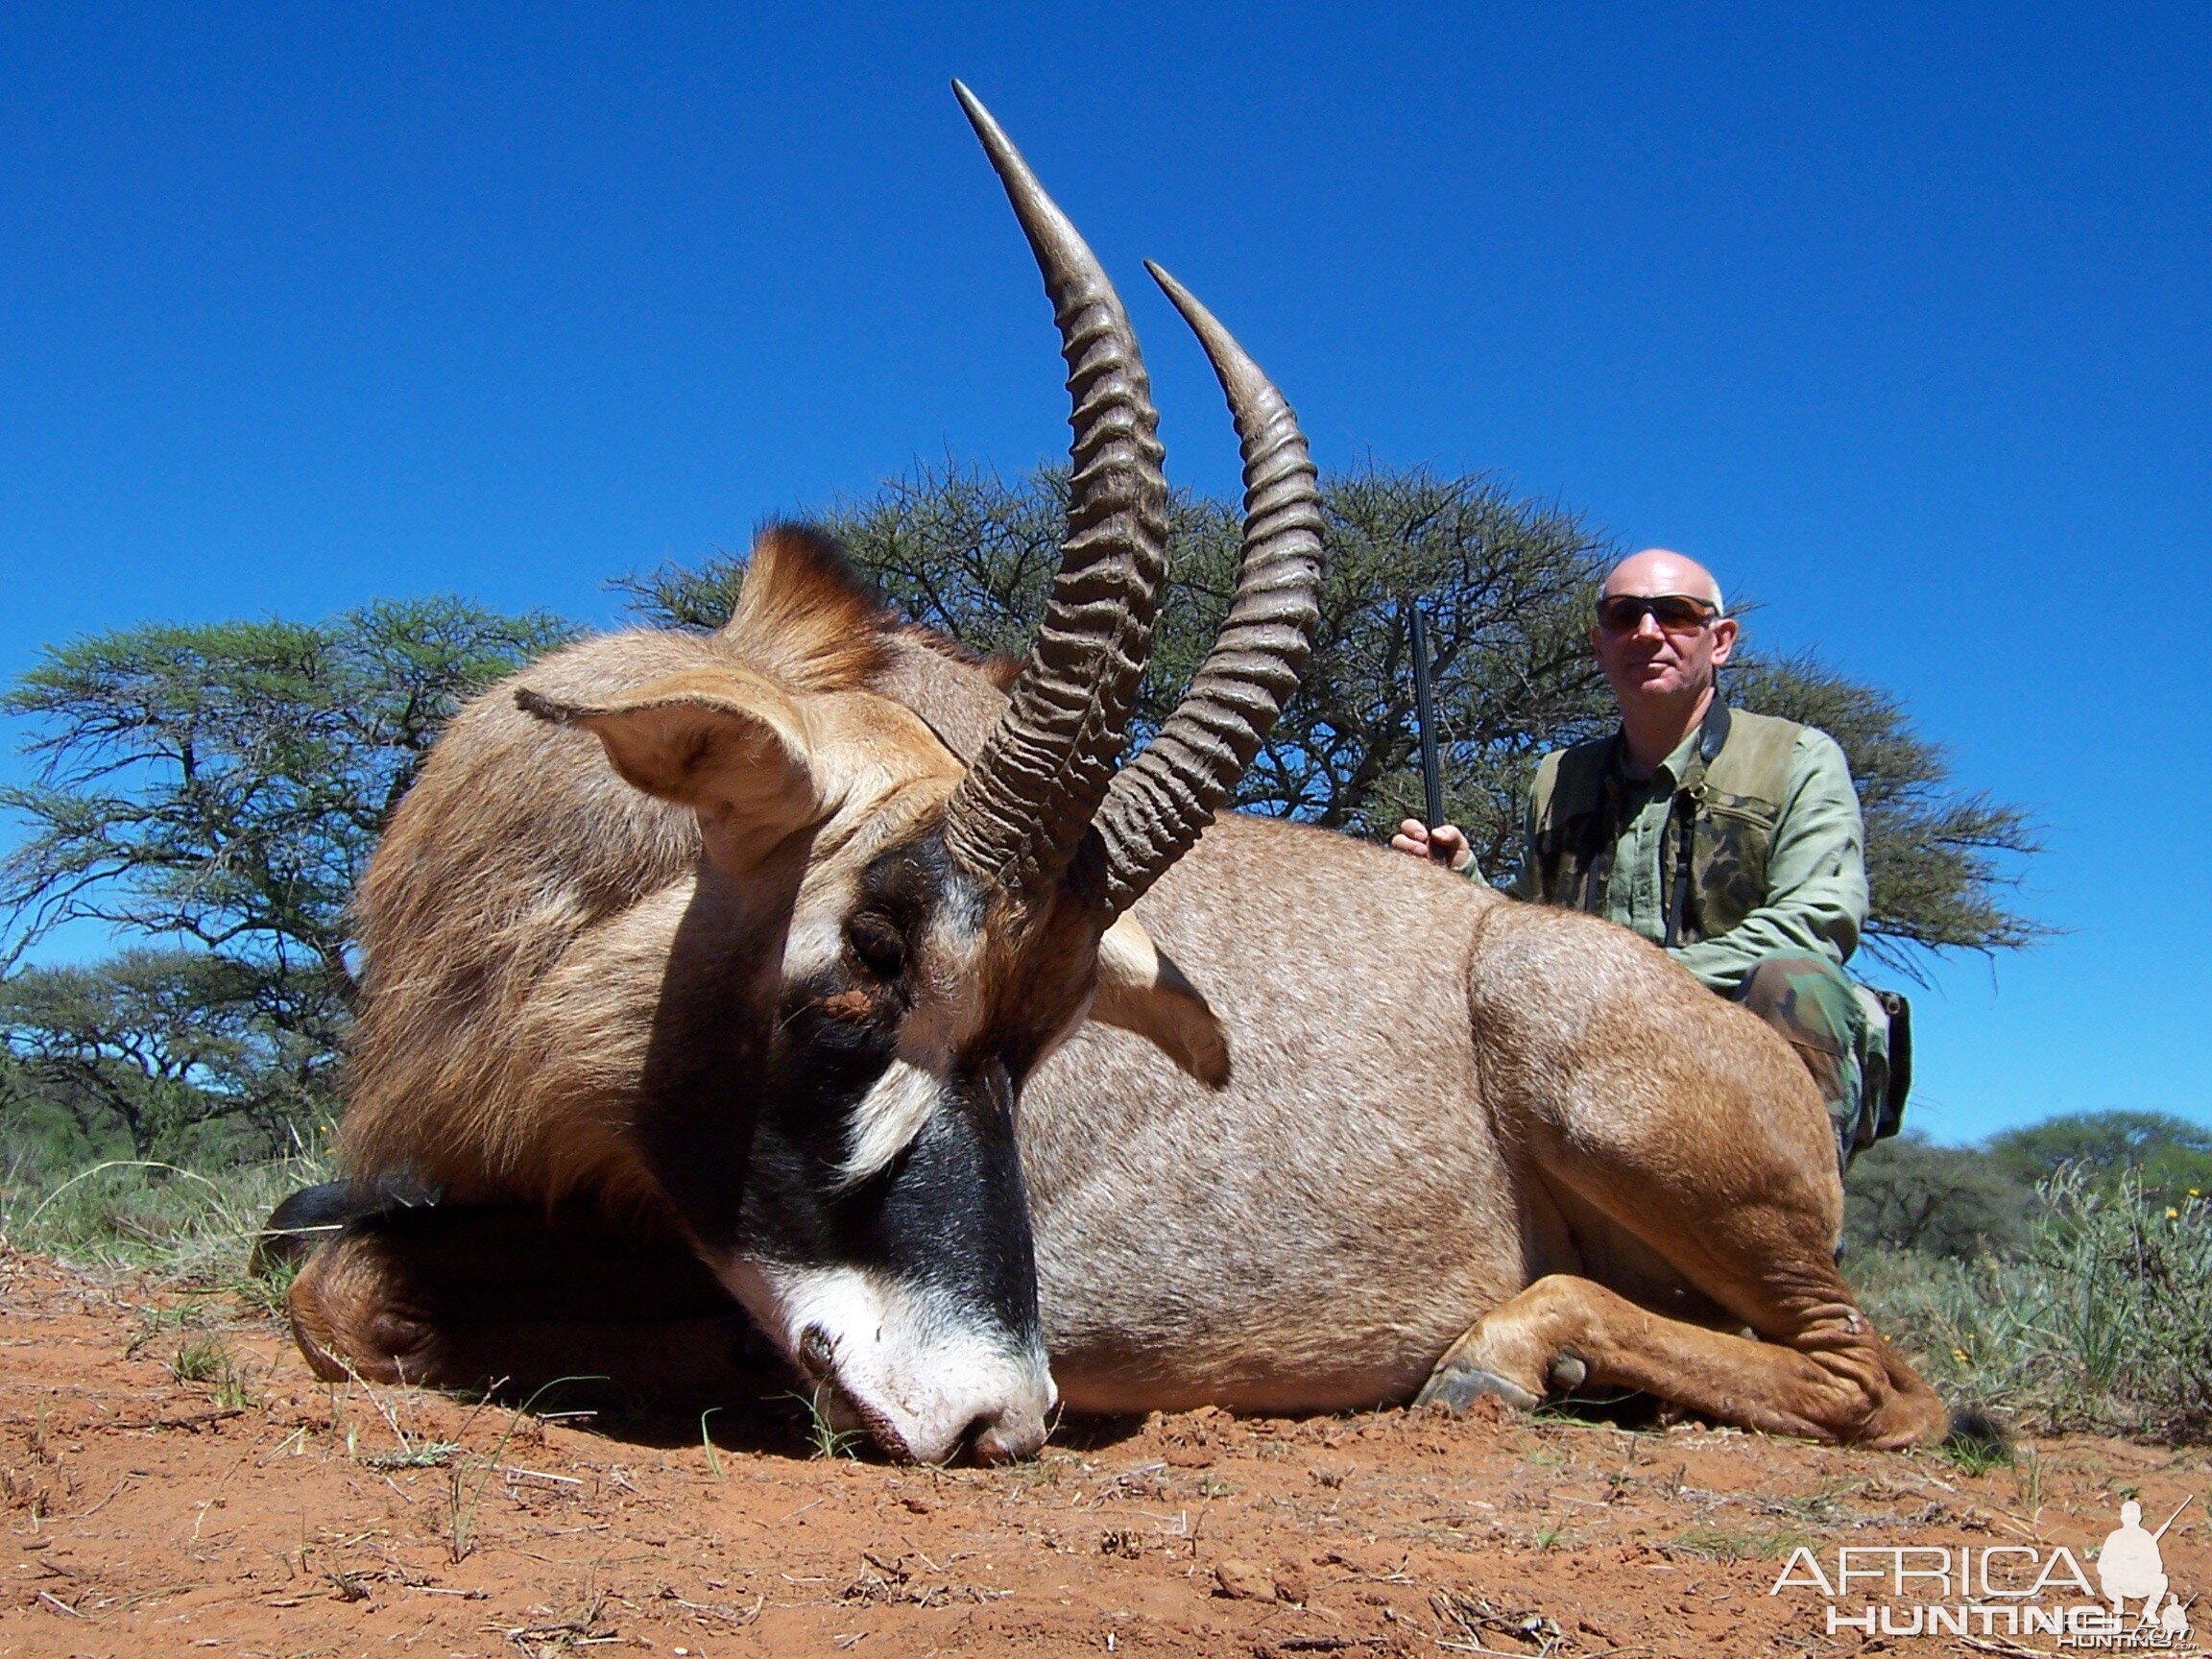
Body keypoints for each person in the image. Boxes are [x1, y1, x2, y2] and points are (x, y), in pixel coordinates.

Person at [1393, 548, 1898, 1168]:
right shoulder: (1559, 777)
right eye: (1624, 615)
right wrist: (1464, 885)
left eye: (1677, 614)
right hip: (1589, 1041)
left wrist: (1642, 988)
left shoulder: (1799, 757)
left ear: (1721, 641)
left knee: (1800, 984)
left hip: (1727, 1027)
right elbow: (1530, 927)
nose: (1648, 632)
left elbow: (1818, 921)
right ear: (1598, 643)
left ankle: (1797, 1240)